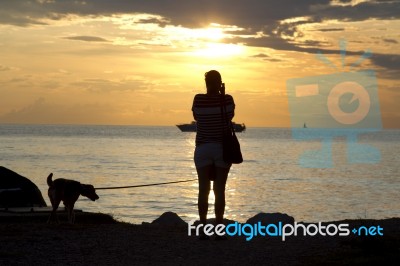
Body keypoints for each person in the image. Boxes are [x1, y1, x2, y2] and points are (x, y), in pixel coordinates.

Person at [192, 70, 235, 239]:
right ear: (220, 83)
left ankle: (203, 228)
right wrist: (222, 95)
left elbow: (196, 117)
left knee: (203, 189)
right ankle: (219, 229)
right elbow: (229, 117)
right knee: (219, 189)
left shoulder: (198, 99)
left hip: (202, 148)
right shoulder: (228, 99)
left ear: (205, 83)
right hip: (221, 149)